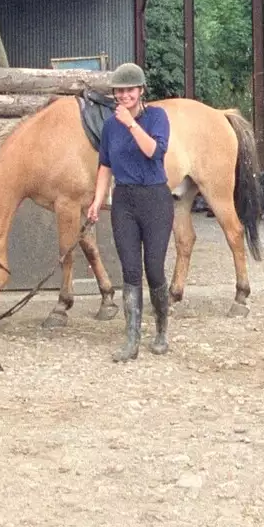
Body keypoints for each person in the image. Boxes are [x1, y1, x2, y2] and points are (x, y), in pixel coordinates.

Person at [85, 62, 172, 361]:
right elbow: (105, 165)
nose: (124, 96)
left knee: (154, 269)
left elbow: (153, 152)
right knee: (130, 271)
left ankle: (161, 329)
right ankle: (132, 339)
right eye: (119, 91)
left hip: (156, 199)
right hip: (124, 200)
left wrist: (131, 124)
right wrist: (97, 201)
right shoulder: (109, 126)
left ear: (141, 91)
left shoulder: (157, 117)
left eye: (129, 90)